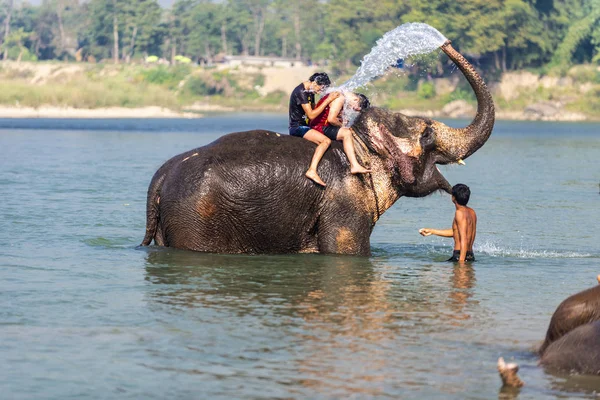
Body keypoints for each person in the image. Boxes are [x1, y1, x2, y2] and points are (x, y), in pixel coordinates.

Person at [288, 73, 340, 186]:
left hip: (307, 126)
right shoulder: (301, 92)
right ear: (315, 83)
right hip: (298, 127)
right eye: (320, 88)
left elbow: (315, 109)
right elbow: (311, 115)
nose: (320, 91)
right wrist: (328, 100)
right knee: (326, 141)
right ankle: (312, 170)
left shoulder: (310, 92)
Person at [309, 91, 371, 175]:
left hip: (320, 124)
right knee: (346, 133)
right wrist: (342, 125)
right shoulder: (340, 98)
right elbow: (331, 119)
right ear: (356, 99)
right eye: (354, 108)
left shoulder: (340, 94)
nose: (352, 109)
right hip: (319, 127)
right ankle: (354, 165)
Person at [419, 184, 477, 262]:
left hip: (460, 256)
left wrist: (461, 265)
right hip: (470, 256)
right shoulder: (472, 212)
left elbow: (464, 239)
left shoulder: (459, 213)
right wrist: (432, 231)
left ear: (453, 197)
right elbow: (456, 232)